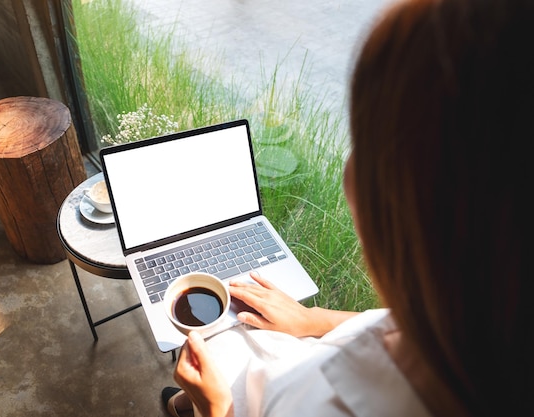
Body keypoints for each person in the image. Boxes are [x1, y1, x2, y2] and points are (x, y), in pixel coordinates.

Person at [161, 0, 534, 415]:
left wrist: (215, 409)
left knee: (219, 347)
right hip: (295, 359)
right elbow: (399, 320)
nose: (349, 174)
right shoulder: (482, 317)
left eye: (368, 145)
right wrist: (315, 320)